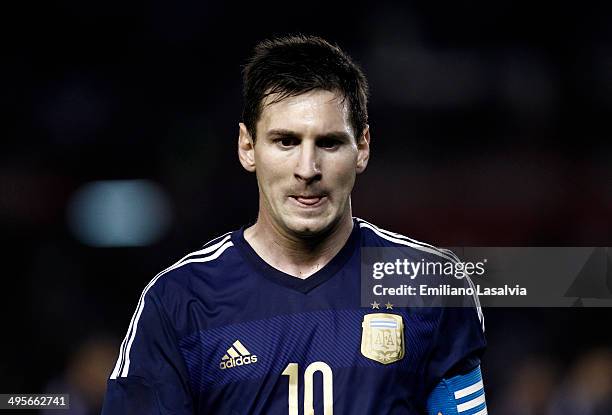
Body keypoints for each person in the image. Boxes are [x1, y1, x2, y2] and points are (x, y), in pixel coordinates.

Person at [102, 34, 487, 414]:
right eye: (285, 141)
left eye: (329, 143)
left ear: (363, 148)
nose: (307, 169)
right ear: (247, 147)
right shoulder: (178, 302)